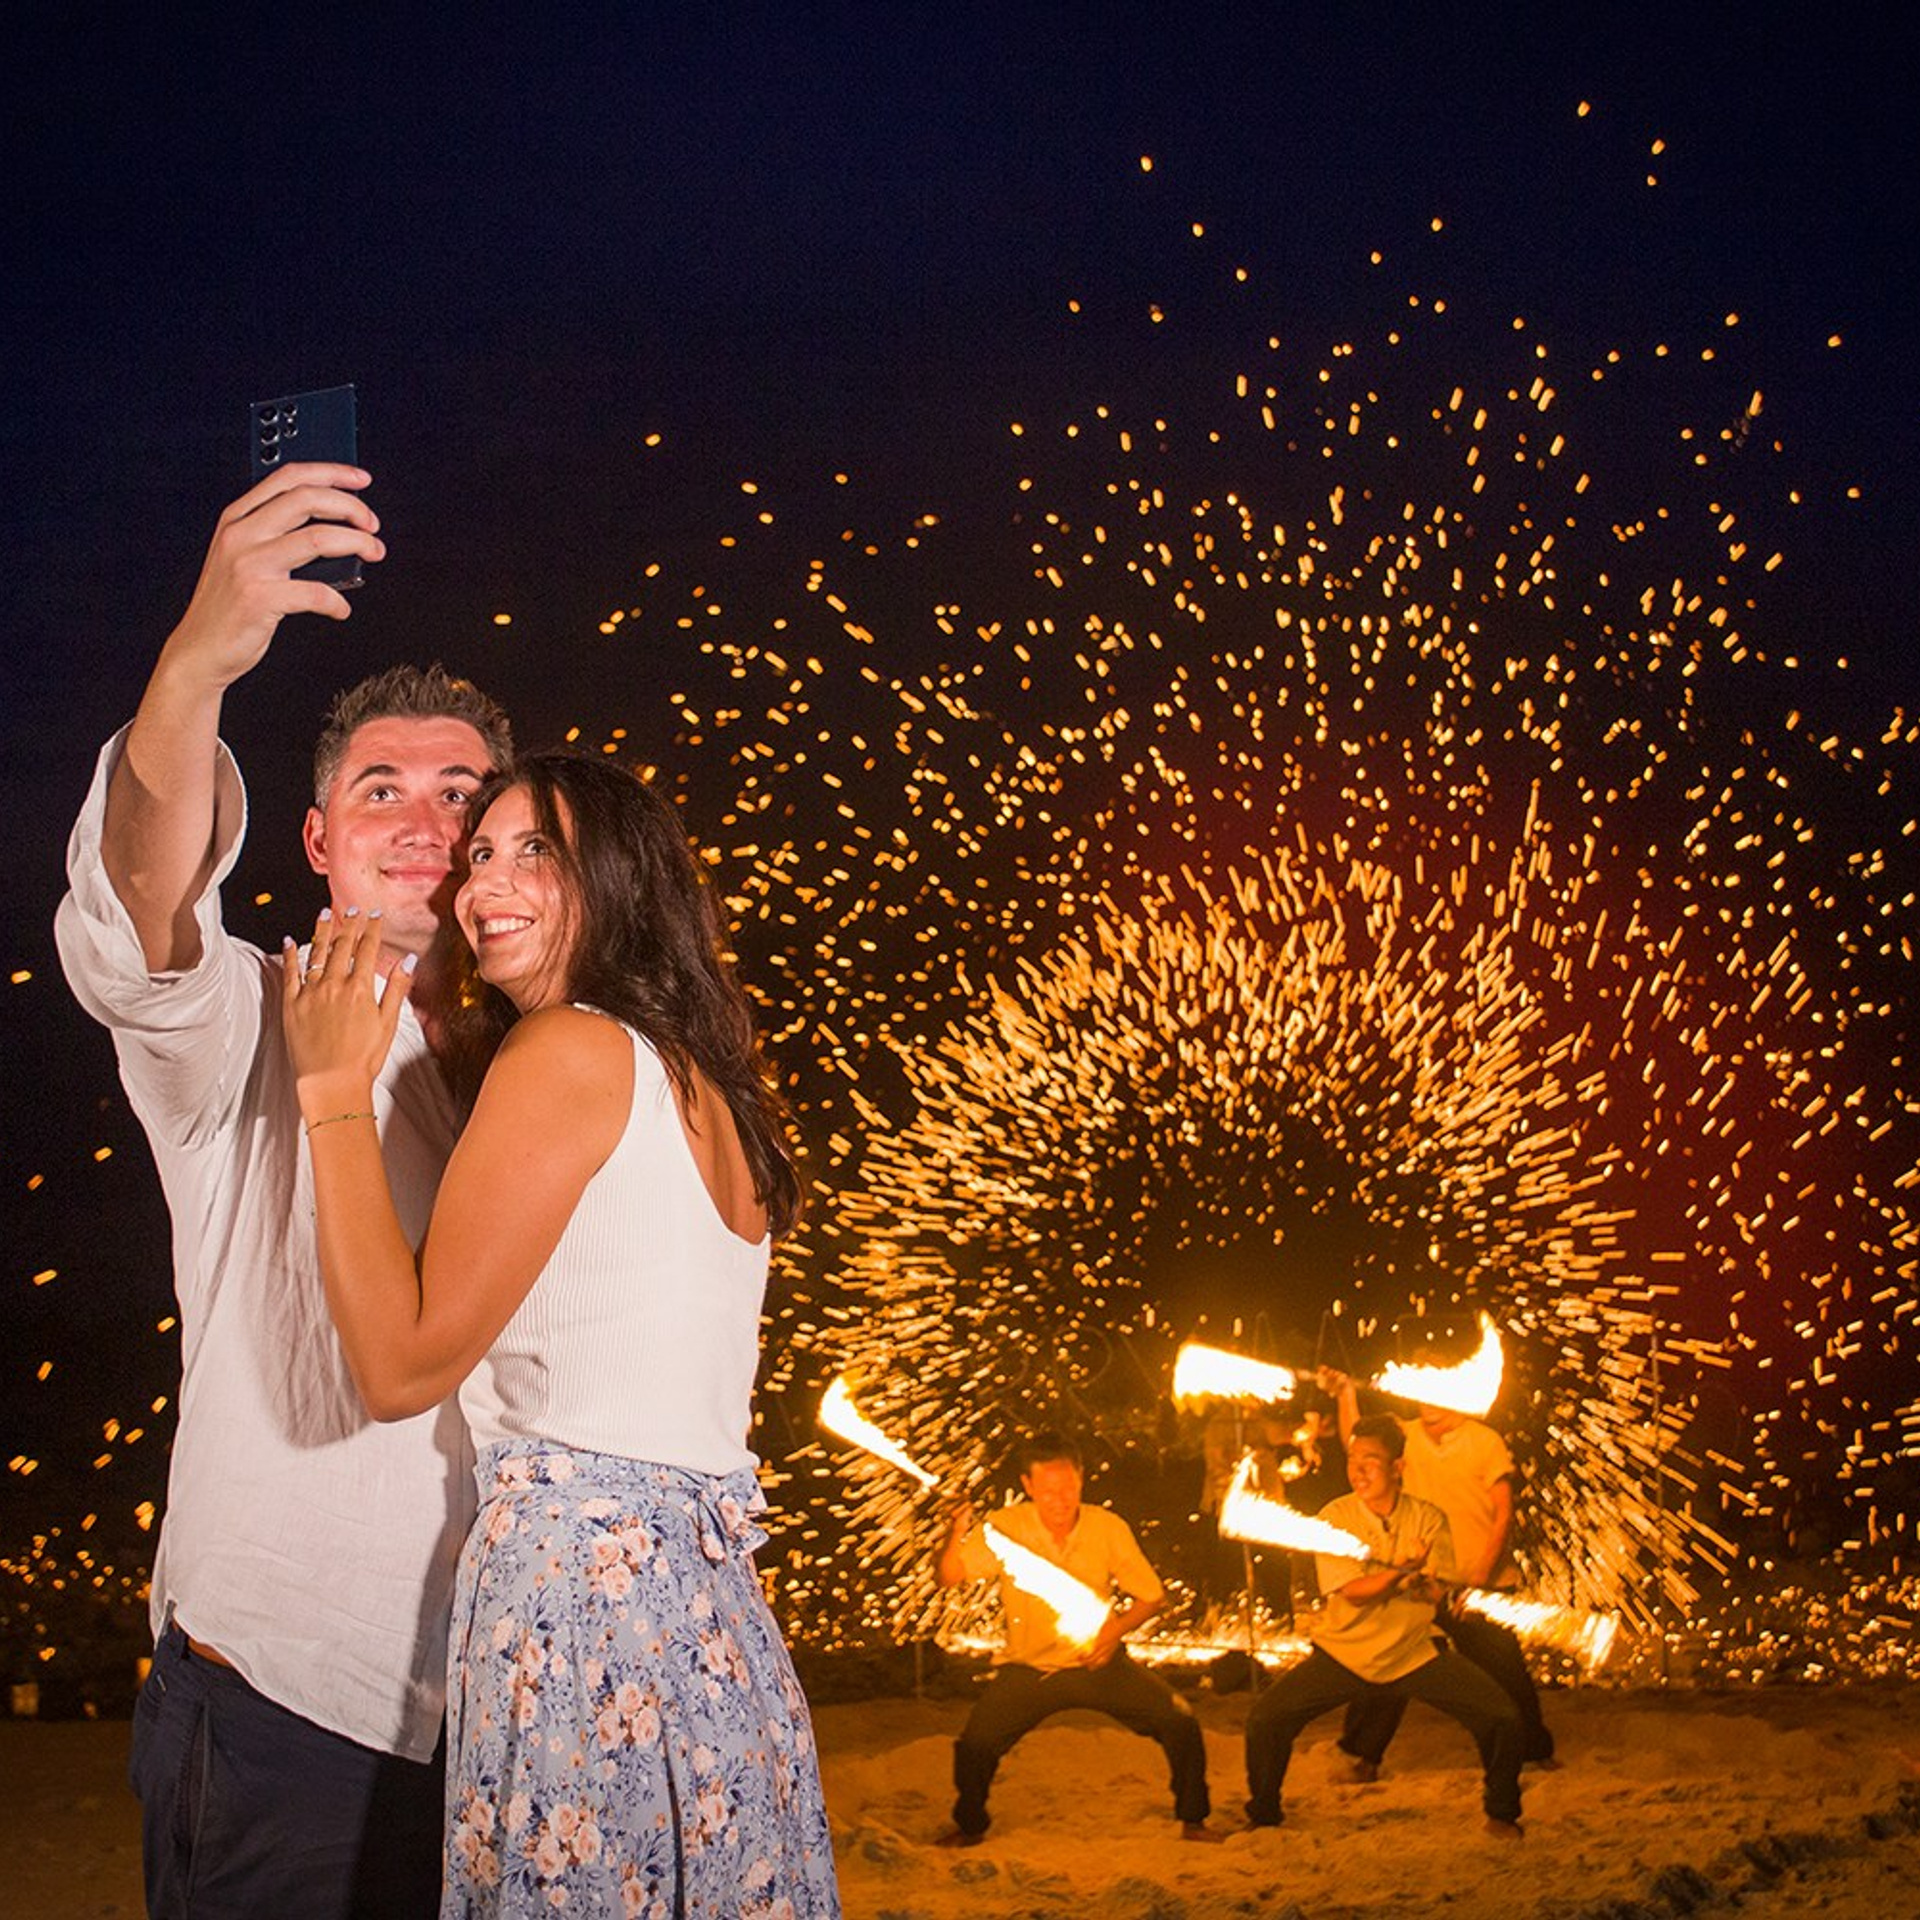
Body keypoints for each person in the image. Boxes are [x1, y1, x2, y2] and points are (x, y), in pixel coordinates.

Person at [55, 461, 513, 1917]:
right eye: (382, 790)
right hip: (288, 1716)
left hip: (522, 1713)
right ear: (316, 842)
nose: (423, 818)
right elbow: (143, 912)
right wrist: (197, 664)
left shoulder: (558, 1073)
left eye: (464, 793)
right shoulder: (243, 1019)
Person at [282, 750, 841, 1916]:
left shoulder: (566, 1051)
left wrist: (331, 1086)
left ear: (622, 879)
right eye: (481, 854)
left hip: (580, 1609)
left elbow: (398, 1365)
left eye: (538, 850)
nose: (486, 878)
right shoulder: (710, 1090)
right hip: (709, 1622)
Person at [1242, 1416, 1523, 1835]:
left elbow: (1434, 1591)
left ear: (1397, 1468)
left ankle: (1501, 1816)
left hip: (1413, 1651)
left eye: (1371, 1460)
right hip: (1346, 1652)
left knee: (1501, 1717)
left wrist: (1428, 1584)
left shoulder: (1428, 1518)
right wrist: (1402, 1571)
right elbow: (1353, 1590)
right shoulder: (1334, 1516)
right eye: (1353, 1459)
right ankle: (1264, 1817)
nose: (1358, 1470)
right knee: (1266, 1719)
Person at [933, 1431, 1216, 1844]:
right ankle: (970, 1825)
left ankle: (1194, 1820)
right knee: (976, 1744)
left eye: (1068, 1489)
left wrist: (1113, 1633)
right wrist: (955, 1529)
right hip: (1031, 1668)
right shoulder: (1004, 1527)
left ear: (1081, 1479)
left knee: (1181, 1720)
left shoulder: (1106, 1526)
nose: (1060, 1501)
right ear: (1028, 1487)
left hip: (1096, 1662)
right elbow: (949, 1576)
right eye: (1048, 1491)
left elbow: (1151, 1596)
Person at [1321, 1367, 1556, 1773]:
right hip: (1421, 1580)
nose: (1426, 1404)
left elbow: (1504, 1513)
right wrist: (1344, 1395)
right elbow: (1358, 1445)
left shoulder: (1484, 1441)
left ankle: (1532, 1750)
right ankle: (1360, 1755)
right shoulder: (1404, 1437)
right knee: (1390, 1659)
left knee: (1503, 1667)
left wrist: (1482, 1574)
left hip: (1478, 1582)